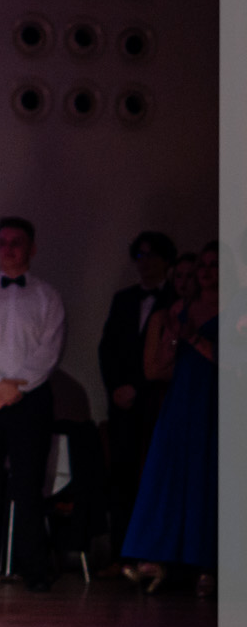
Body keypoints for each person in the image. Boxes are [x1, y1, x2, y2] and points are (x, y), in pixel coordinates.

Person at [0, 216, 67, 591]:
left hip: (30, 400)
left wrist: (15, 387)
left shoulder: (48, 297)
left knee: (29, 484)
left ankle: (33, 566)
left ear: (31, 249)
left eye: (16, 242)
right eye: (2, 242)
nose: (8, 249)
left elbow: (49, 351)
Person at [122, 241, 219, 596]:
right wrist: (172, 339)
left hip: (217, 398)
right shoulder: (179, 309)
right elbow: (159, 366)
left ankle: (209, 565)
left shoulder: (236, 308)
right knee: (168, 476)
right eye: (202, 265)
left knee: (209, 478)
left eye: (213, 265)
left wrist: (193, 337)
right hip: (182, 399)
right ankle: (156, 558)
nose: (205, 272)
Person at [99, 230, 178, 558]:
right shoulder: (124, 299)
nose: (145, 263)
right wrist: (116, 388)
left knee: (154, 475)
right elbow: (107, 349)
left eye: (152, 256)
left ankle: (154, 554)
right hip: (122, 404)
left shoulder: (175, 300)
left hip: (155, 401)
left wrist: (138, 387)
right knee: (121, 476)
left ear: (167, 261)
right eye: (141, 256)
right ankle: (121, 552)